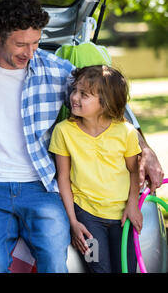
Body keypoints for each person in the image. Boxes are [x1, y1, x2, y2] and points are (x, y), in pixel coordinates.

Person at [0, 0, 164, 273]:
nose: (30, 53)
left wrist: (145, 148)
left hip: (42, 187)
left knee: (55, 264)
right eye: (20, 44)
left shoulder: (55, 70)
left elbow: (107, 104)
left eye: (36, 42)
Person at [49, 65, 141, 273]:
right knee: (97, 268)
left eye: (84, 94)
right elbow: (63, 178)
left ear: (105, 102)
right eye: (74, 90)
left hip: (122, 217)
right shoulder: (63, 131)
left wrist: (133, 204)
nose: (74, 97)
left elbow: (134, 171)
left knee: (126, 268)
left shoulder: (125, 132)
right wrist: (73, 221)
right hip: (86, 217)